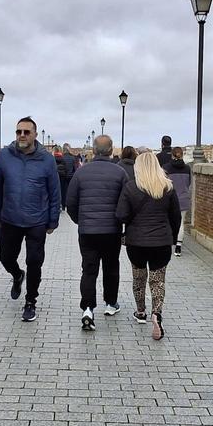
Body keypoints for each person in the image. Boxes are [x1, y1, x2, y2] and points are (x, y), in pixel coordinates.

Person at [0, 117, 61, 323]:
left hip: (37, 220)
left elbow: (54, 191)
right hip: (10, 219)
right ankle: (17, 275)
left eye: (26, 132)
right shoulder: (4, 156)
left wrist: (53, 220)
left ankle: (31, 301)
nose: (22, 135)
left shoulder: (46, 159)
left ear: (35, 134)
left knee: (34, 261)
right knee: (6, 257)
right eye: (18, 132)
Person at [116, 151, 182, 341]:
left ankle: (141, 311)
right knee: (158, 280)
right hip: (161, 241)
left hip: (136, 242)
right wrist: (172, 237)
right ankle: (157, 314)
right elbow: (175, 217)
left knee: (139, 278)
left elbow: (121, 214)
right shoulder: (167, 187)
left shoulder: (130, 187)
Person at [66, 135, 129, 331]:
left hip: (88, 231)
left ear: (93, 150)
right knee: (111, 267)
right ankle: (110, 303)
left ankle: (87, 308)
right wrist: (120, 222)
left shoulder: (81, 173)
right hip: (111, 230)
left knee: (89, 269)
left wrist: (80, 221)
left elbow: (71, 203)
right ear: (111, 150)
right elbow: (126, 203)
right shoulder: (120, 173)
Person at [162, 146, 192, 257]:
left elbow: (163, 184)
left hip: (170, 198)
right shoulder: (187, 168)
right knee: (181, 223)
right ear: (182, 155)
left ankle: (169, 242)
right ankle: (178, 247)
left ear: (172, 155)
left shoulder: (166, 168)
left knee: (169, 221)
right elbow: (188, 183)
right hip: (183, 199)